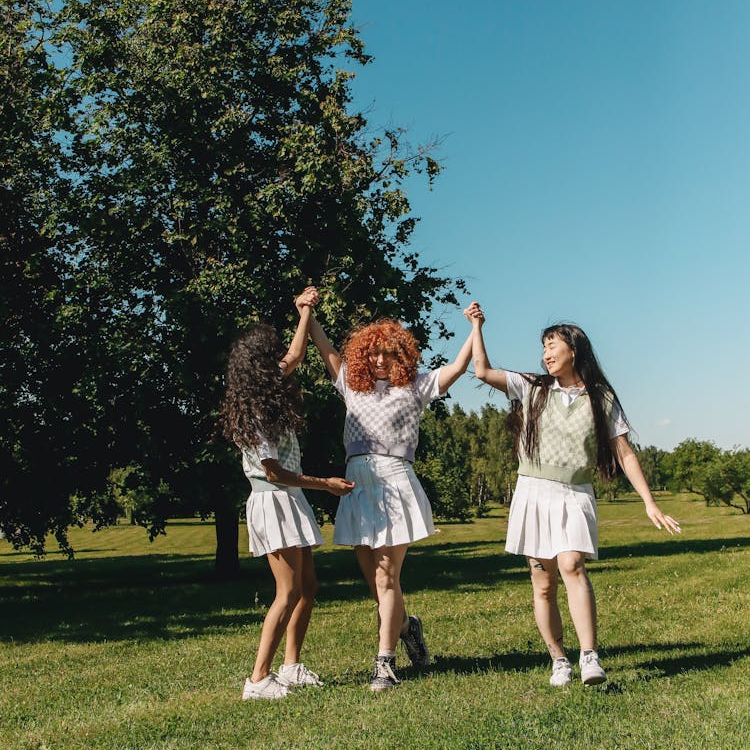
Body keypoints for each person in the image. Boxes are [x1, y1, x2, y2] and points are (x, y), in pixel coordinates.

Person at [465, 302, 681, 687]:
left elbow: (624, 452)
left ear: (574, 350)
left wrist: (650, 502)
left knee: (572, 565)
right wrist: (477, 326)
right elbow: (481, 370)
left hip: (574, 493)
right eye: (544, 347)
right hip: (533, 492)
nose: (547, 354)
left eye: (553, 345)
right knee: (543, 582)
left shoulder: (601, 398)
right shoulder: (532, 387)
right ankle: (558, 659)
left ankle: (589, 657)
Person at [308, 308, 474, 691]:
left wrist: (475, 328)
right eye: (373, 353)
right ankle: (406, 627)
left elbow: (459, 366)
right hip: (356, 485)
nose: (380, 360)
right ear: (363, 355)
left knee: (387, 577)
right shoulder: (351, 383)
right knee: (376, 582)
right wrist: (309, 314)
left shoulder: (414, 387)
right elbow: (324, 347)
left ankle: (384, 664)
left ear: (401, 355)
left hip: (395, 483)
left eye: (388, 353)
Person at [220, 287, 354, 701]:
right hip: (272, 498)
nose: (281, 355)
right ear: (257, 365)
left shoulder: (268, 386)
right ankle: (258, 679)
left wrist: (305, 312)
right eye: (271, 351)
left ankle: (290, 667)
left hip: (289, 498)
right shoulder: (253, 410)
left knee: (308, 586)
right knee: (287, 591)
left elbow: (296, 355)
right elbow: (274, 473)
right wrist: (324, 485)